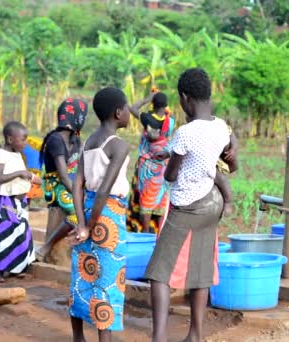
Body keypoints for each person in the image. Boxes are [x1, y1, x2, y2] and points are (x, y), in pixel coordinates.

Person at [145, 68, 238, 342]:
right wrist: (173, 152)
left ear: (185, 98)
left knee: (158, 273)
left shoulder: (185, 132)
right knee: (200, 270)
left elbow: (171, 175)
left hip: (187, 205)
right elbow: (216, 159)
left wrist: (168, 158)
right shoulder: (221, 127)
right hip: (212, 203)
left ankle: (159, 337)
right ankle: (195, 335)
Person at [66, 87, 131, 342]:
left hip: (88, 209)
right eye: (126, 108)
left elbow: (77, 184)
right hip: (108, 215)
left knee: (81, 273)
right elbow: (105, 189)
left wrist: (82, 223)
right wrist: (92, 225)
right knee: (107, 278)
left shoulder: (90, 141)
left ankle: (78, 337)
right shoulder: (119, 146)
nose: (129, 113)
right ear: (118, 113)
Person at [0, 122, 39, 283]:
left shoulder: (17, 154)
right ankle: (0, 271)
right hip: (7, 201)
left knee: (21, 234)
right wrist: (20, 173)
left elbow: (21, 177)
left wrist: (31, 178)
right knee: (6, 233)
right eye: (22, 140)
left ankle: (16, 267)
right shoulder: (0, 154)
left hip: (20, 202)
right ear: (10, 139)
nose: (25, 143)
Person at [36, 98, 88, 261]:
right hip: (58, 186)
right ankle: (47, 247)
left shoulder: (75, 139)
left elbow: (79, 167)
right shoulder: (56, 140)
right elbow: (64, 175)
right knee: (78, 213)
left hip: (70, 184)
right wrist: (78, 194)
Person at [126, 89, 175, 234]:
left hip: (148, 165)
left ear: (153, 104)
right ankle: (159, 231)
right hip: (164, 163)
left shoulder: (147, 118)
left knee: (146, 196)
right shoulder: (170, 121)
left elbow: (132, 108)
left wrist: (147, 98)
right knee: (161, 197)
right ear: (165, 106)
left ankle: (146, 231)